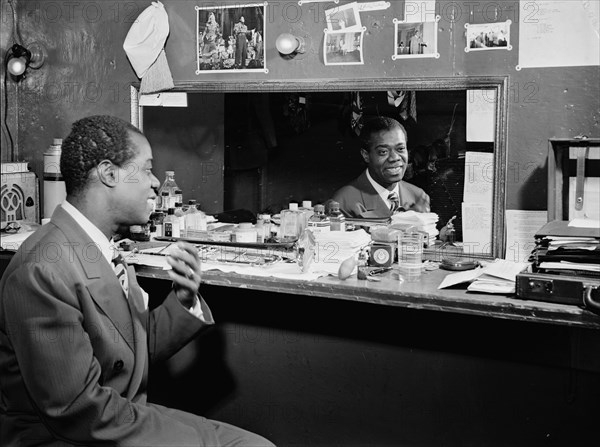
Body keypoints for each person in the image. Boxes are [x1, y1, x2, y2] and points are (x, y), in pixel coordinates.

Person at [0, 116, 275, 447]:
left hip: (116, 415)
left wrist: (183, 301)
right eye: (146, 169)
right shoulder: (41, 271)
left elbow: (127, 350)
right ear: (109, 173)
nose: (156, 182)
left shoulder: (100, 247)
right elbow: (78, 410)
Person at [330, 116, 430, 218]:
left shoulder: (419, 197)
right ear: (366, 155)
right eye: (383, 152)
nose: (394, 158)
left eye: (400, 149)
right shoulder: (342, 204)